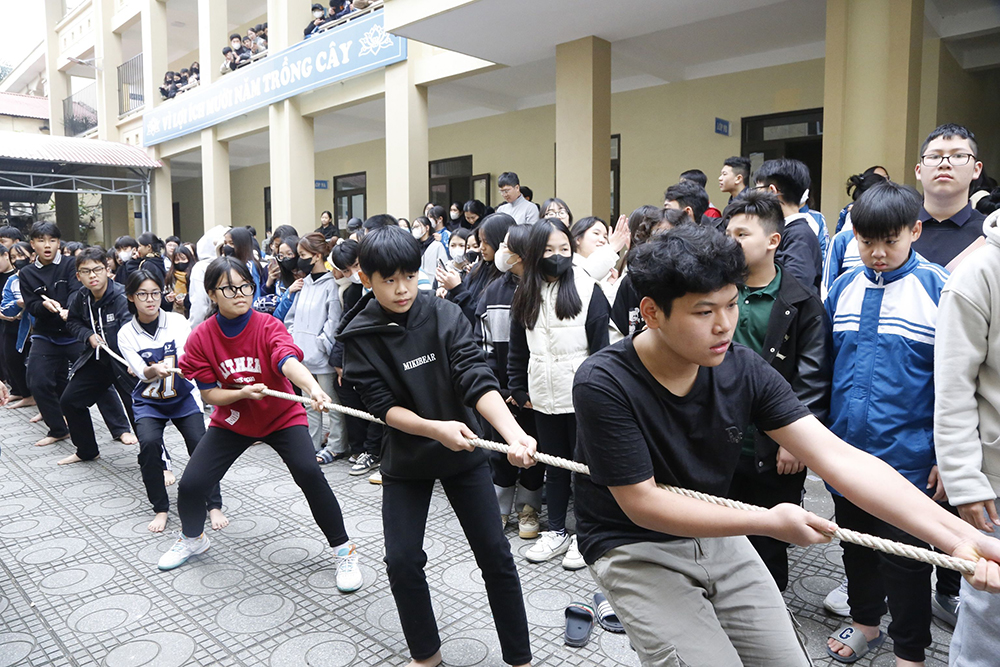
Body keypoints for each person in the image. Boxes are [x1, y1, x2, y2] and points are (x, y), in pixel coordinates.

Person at [571, 223, 1000, 667]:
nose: (724, 326)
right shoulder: (604, 382)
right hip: (632, 544)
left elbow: (838, 458)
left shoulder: (741, 368)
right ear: (653, 312)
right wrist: (769, 522)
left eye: (732, 305)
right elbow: (643, 503)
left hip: (718, 531)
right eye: (703, 313)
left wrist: (963, 539)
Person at [338, 225, 536, 667]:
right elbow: (383, 409)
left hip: (463, 453)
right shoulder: (358, 337)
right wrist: (434, 428)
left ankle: (520, 658)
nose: (402, 288)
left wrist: (512, 434)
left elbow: (475, 377)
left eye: (409, 275)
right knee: (402, 561)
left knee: (496, 556)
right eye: (388, 279)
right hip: (407, 459)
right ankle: (426, 655)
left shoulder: (445, 315)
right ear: (366, 278)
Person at [161, 256, 362, 592]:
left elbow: (287, 360)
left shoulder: (269, 325)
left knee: (309, 473)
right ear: (212, 293)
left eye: (246, 286)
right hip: (234, 420)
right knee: (192, 484)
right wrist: (240, 393)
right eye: (229, 288)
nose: (241, 293)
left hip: (281, 417)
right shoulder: (201, 338)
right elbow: (210, 394)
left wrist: (311, 387)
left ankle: (344, 549)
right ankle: (192, 538)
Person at [823, 181, 950, 665]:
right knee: (855, 547)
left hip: (909, 461)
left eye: (889, 241)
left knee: (907, 561)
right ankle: (864, 624)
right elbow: (827, 366)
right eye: (865, 241)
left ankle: (911, 652)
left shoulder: (938, 288)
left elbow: (956, 381)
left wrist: (942, 453)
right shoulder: (844, 286)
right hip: (848, 454)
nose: (877, 253)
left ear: (915, 231)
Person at [722, 190, 830, 591]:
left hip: (774, 445)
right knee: (720, 525)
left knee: (770, 537)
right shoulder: (718, 292)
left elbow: (813, 377)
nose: (730, 243)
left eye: (741, 234)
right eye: (727, 233)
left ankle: (770, 616)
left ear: (773, 241)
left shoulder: (801, 301)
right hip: (719, 437)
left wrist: (796, 442)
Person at [508, 218, 610, 568]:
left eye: (564, 249)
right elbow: (517, 347)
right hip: (542, 396)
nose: (557, 256)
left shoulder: (586, 287)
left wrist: (597, 393)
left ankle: (584, 534)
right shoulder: (525, 291)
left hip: (581, 397)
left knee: (584, 467)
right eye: (549, 250)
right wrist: (518, 387)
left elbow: (601, 349)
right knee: (553, 465)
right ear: (535, 253)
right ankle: (555, 532)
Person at [934, 208, 1000, 667]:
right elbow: (953, 385)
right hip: (995, 482)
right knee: (989, 618)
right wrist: (964, 478)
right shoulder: (980, 273)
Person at [118, 269, 225, 534]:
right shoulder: (125, 334)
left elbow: (188, 355)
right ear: (131, 297)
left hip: (182, 397)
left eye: (155, 293)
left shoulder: (178, 322)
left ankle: (213, 504)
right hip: (149, 401)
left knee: (201, 445)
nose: (150, 300)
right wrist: (153, 370)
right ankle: (161, 508)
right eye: (142, 294)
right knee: (149, 446)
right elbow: (140, 371)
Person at [19, 223, 130, 448]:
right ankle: (59, 429)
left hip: (75, 334)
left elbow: (76, 294)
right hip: (45, 334)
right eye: (41, 240)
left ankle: (120, 429)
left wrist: (68, 311)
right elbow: (31, 305)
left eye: (52, 240)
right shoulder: (27, 273)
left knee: (101, 377)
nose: (47, 245)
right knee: (37, 380)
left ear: (59, 243)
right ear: (33, 244)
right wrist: (45, 306)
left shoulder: (73, 265)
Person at [475, 224, 544, 537]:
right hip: (500, 390)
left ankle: (530, 509)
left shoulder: (545, 290)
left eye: (506, 245)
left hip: (537, 393)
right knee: (499, 450)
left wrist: (526, 390)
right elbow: (482, 344)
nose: (501, 250)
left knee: (535, 452)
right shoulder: (493, 290)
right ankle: (499, 507)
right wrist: (498, 388)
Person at [58, 247, 139, 465]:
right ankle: (86, 450)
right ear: (78, 276)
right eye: (86, 271)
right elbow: (73, 322)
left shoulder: (123, 296)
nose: (92, 276)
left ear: (107, 270)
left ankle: (158, 461)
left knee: (139, 412)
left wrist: (135, 361)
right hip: (97, 360)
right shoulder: (80, 297)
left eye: (97, 270)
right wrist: (88, 336)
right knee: (70, 401)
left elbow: (130, 331)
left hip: (124, 362)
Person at [288, 233, 347, 462]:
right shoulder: (304, 284)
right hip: (302, 356)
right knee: (308, 404)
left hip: (321, 358)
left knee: (331, 404)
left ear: (317, 256)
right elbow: (292, 318)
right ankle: (312, 444)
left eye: (303, 255)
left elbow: (333, 322)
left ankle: (336, 445)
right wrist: (295, 340)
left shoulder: (331, 285)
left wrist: (320, 345)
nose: (299, 260)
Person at [912, 123, 986, 270]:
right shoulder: (894, 229)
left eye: (958, 155)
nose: (944, 164)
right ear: (919, 171)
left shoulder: (989, 235)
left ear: (976, 170)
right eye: (934, 156)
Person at [753, 158, 823, 294]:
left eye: (758, 189)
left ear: (772, 191)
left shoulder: (799, 234)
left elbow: (795, 286)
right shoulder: (791, 231)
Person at [437, 213, 515, 325]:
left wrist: (457, 288)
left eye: (487, 242)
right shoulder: (478, 268)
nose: (482, 247)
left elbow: (479, 318)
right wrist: (449, 290)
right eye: (480, 241)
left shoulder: (507, 278)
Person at [822, 169, 888, 299]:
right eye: (867, 242)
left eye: (890, 242)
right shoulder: (842, 239)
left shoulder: (898, 235)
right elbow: (827, 288)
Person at [0, 242, 33, 409]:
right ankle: (25, 394)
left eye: (21, 255)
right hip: (15, 328)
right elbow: (5, 304)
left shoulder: (38, 276)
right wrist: (16, 305)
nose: (17, 260)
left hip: (38, 330)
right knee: (12, 360)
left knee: (40, 372)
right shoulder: (12, 280)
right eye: (14, 257)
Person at [188, 226, 227, 326]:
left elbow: (199, 306)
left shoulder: (201, 268)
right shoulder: (236, 264)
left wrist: (195, 330)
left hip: (211, 325)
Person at [222, 227, 265, 299]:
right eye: (225, 243)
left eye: (231, 243)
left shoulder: (249, 266)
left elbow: (254, 294)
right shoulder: (228, 264)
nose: (227, 247)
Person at [409, 216, 448, 290]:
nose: (415, 229)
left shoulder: (437, 245)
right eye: (413, 227)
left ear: (427, 228)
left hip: (433, 288)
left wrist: (441, 287)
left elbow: (443, 268)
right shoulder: (413, 246)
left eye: (417, 226)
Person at [165, 245, 194, 317]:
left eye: (183, 259)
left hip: (191, 313)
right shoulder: (170, 276)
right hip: (174, 314)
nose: (180, 262)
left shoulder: (194, 275)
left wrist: (186, 301)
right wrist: (167, 299)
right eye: (177, 259)